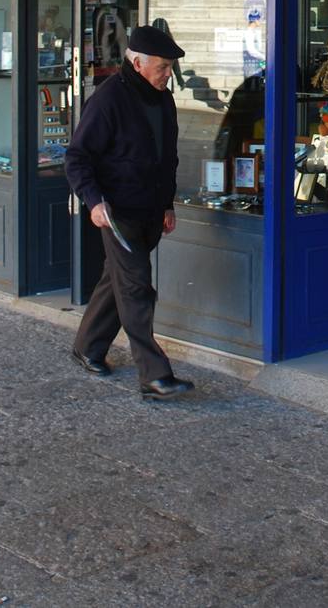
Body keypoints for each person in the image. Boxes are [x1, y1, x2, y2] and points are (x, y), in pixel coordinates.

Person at [65, 25, 195, 400]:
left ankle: (87, 347)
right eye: (162, 67)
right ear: (137, 63)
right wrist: (93, 201)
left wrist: (168, 204)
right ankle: (154, 375)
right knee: (137, 287)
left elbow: (167, 158)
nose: (167, 74)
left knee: (117, 280)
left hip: (150, 209)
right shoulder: (108, 100)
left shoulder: (163, 100)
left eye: (170, 67)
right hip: (116, 210)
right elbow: (77, 157)